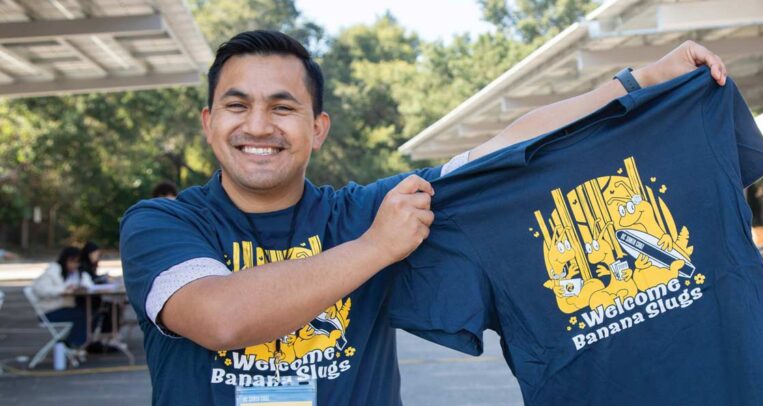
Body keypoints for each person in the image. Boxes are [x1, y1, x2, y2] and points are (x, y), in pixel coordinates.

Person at [119, 30, 728, 405]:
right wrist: (376, 249)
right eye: (237, 106)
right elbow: (222, 318)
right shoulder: (162, 224)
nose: (258, 126)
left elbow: (502, 149)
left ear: (317, 129)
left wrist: (637, 81)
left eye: (283, 108)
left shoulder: (362, 211)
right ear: (207, 123)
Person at [30, 247, 92, 351]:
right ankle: (72, 344)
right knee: (83, 315)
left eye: (77, 262)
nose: (75, 265)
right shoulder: (52, 271)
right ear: (65, 260)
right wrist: (63, 290)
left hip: (64, 308)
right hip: (49, 311)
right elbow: (41, 290)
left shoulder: (76, 272)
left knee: (88, 311)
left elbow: (87, 283)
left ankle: (71, 343)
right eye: (72, 261)